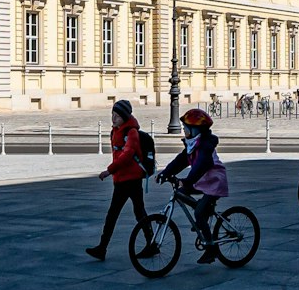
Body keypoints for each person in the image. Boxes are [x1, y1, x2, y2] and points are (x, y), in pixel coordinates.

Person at [87, 100, 155, 260]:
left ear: (125, 117)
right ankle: (150, 245)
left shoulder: (131, 133)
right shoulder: (115, 131)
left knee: (122, 213)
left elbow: (127, 156)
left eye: (117, 116)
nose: (114, 118)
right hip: (122, 179)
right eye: (113, 114)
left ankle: (103, 248)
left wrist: (109, 171)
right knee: (135, 212)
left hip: (131, 179)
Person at [158, 107, 227, 264]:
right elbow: (180, 161)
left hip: (215, 181)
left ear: (195, 129)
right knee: (182, 192)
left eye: (185, 128)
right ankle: (205, 211)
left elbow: (201, 165)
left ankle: (211, 249)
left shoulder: (205, 146)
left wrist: (187, 180)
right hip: (202, 180)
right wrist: (165, 173)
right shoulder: (192, 144)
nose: (183, 130)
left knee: (199, 214)